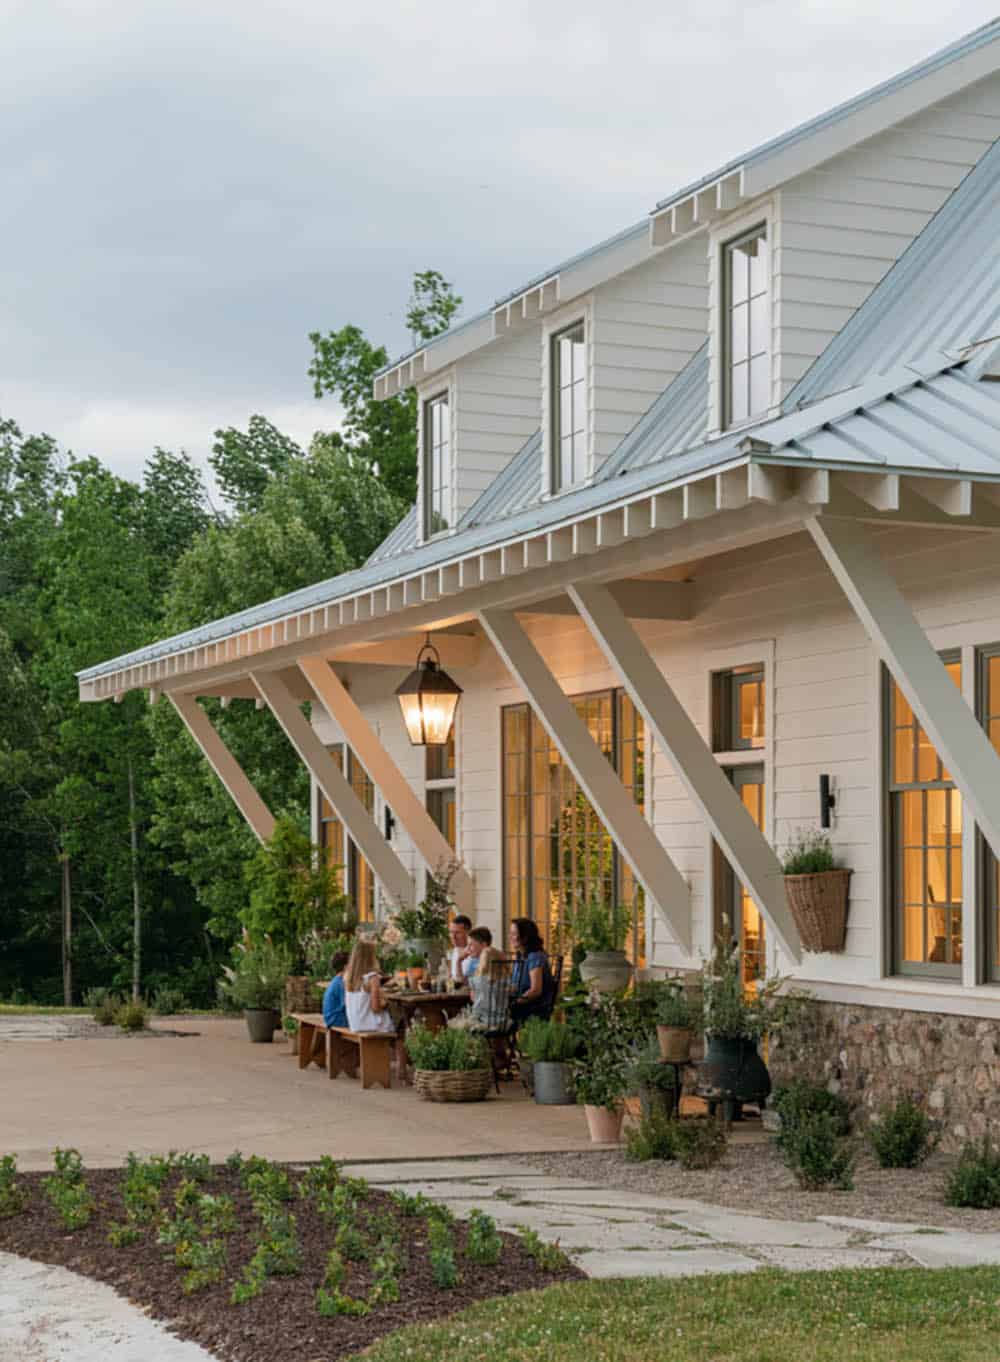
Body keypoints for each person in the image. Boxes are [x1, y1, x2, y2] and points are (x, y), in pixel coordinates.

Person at [449, 945, 512, 1033]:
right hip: (503, 1022)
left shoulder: (476, 980)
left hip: (482, 1021)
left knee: (454, 1023)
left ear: (482, 962)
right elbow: (511, 992)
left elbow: (473, 998)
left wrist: (459, 961)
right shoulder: (506, 980)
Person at [508, 917, 556, 1024]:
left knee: (493, 1016)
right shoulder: (521, 956)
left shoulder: (535, 957)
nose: (510, 937)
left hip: (533, 1009)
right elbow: (515, 985)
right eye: (510, 933)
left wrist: (515, 1003)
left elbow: (535, 990)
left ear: (525, 937)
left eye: (514, 934)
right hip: (523, 1006)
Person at [343, 940, 396, 1035]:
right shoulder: (372, 977)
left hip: (355, 1025)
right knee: (401, 1024)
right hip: (370, 1024)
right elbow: (376, 1008)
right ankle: (394, 1049)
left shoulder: (348, 977)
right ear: (370, 958)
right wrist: (385, 1003)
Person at [321, 950, 351, 1030]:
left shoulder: (336, 980)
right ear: (346, 967)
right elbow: (347, 1004)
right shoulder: (341, 983)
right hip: (335, 1019)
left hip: (330, 1017)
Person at [447, 914, 473, 982]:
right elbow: (452, 977)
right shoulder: (454, 951)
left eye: (457, 933)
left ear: (468, 932)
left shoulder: (475, 953)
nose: (453, 936)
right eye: (451, 932)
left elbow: (464, 982)